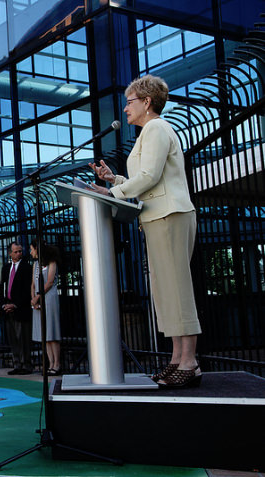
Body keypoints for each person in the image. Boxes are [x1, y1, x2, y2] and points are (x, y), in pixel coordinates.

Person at [89, 74, 202, 388]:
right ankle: (178, 359)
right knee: (166, 291)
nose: (125, 109)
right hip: (157, 215)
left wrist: (111, 195)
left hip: (169, 214)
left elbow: (150, 176)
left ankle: (189, 361)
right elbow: (146, 181)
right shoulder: (147, 134)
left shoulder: (156, 128)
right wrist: (114, 180)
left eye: (130, 102)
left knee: (176, 288)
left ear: (147, 102)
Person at [29, 241, 62, 375]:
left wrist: (38, 297)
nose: (31, 252)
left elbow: (49, 281)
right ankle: (50, 363)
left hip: (49, 298)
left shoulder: (51, 262)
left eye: (32, 249)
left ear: (37, 249)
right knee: (45, 335)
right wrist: (33, 299)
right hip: (38, 298)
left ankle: (57, 363)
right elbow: (33, 283)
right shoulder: (35, 264)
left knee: (52, 332)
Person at [1, 242, 32, 375]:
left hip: (21, 308)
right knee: (13, 338)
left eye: (20, 251)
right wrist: (4, 304)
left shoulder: (27, 267)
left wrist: (15, 304)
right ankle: (17, 364)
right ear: (10, 253)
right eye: (16, 251)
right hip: (7, 307)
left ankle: (26, 365)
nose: (19, 253)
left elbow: (28, 289)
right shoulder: (6, 268)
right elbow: (3, 286)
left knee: (23, 338)